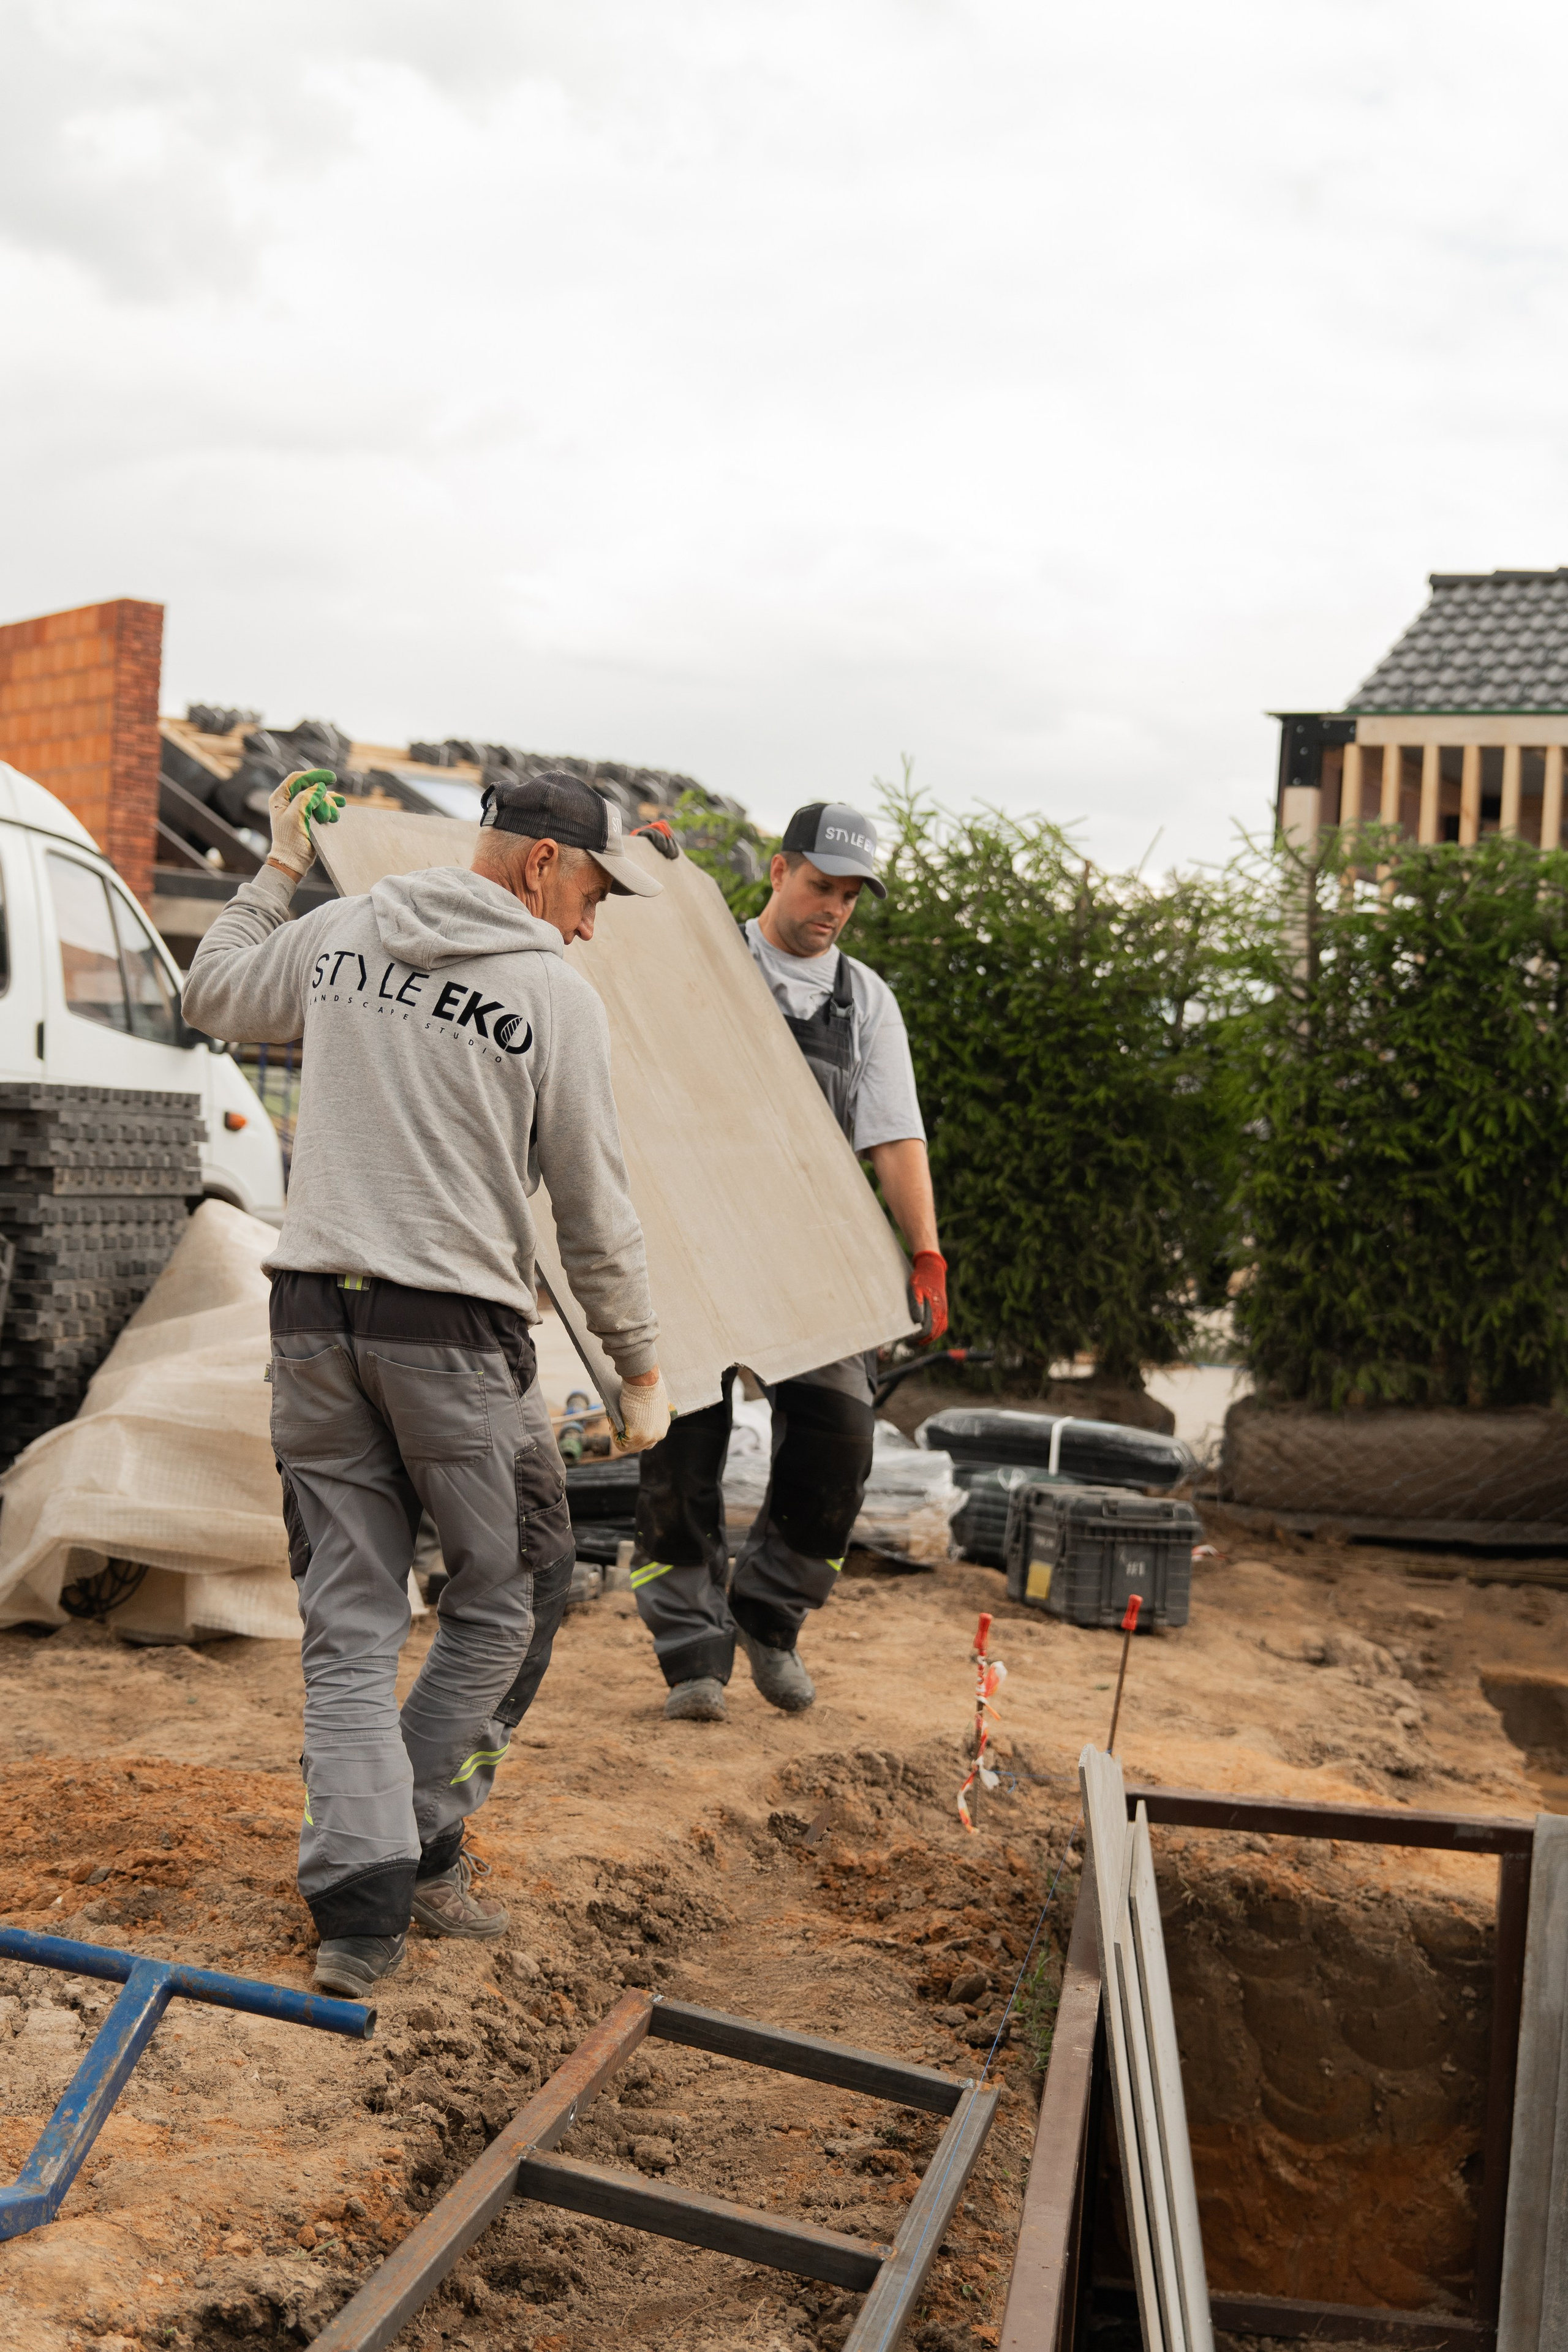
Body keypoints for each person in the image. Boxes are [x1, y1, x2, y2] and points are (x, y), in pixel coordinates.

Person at [183, 768, 671, 1994]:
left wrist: (279, 862)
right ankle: (413, 1845)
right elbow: (595, 1215)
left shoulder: (346, 929)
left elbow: (210, 991)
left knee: (349, 1622)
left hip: (309, 1322)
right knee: (511, 1595)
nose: (588, 923)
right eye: (593, 892)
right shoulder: (552, 998)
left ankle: (358, 1916)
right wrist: (641, 1365)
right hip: (454, 1340)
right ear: (542, 862)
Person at [630, 800, 946, 1723]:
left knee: (840, 1441)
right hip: (691, 1237)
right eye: (819, 886)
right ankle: (691, 1650)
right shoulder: (700, 953)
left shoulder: (865, 1003)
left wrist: (923, 1251)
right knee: (683, 1449)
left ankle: (769, 1618)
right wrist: (649, 882)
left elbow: (894, 1139)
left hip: (810, 1247)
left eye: (851, 895)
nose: (834, 908)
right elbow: (607, 956)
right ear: (777, 872)